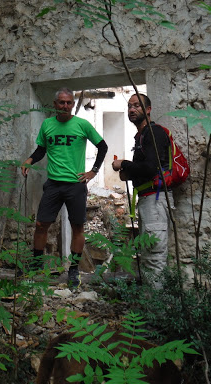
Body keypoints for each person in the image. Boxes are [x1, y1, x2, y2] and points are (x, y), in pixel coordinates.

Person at [21, 87, 108, 288]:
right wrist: (29, 160)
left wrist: (93, 171)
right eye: (62, 102)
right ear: (55, 104)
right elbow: (42, 149)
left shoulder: (82, 125)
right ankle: (36, 266)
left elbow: (102, 146)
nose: (66, 106)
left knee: (77, 226)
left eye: (69, 102)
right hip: (53, 184)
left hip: (75, 185)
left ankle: (74, 269)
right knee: (41, 225)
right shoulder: (47, 125)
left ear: (72, 104)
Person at [112, 93, 172, 286]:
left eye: (137, 106)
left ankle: (158, 312)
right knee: (148, 255)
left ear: (148, 110)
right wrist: (127, 173)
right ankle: (151, 305)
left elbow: (150, 167)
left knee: (154, 256)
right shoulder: (142, 136)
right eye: (129, 106)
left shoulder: (154, 134)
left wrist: (124, 163)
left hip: (155, 200)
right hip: (148, 200)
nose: (132, 109)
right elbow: (146, 169)